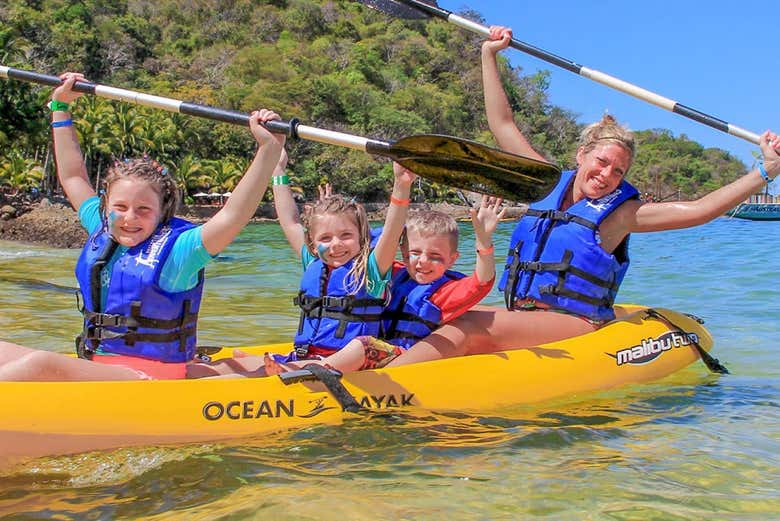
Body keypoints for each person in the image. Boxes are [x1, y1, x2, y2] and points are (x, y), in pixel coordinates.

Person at [385, 26, 780, 366]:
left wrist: (765, 171)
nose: (607, 175)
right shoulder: (545, 181)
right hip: (521, 311)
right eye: (602, 162)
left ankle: (382, 381)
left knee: (468, 325)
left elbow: (700, 210)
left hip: (575, 322)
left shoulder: (621, 214)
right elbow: (501, 123)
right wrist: (489, 54)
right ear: (581, 155)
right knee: (433, 310)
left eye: (618, 171)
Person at [0, 72, 286, 381]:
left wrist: (269, 149)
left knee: (40, 365)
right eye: (120, 207)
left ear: (162, 210)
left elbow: (234, 215)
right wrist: (60, 107)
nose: (129, 217)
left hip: (147, 378)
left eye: (143, 209)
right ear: (105, 206)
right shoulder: (102, 228)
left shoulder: (179, 252)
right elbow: (72, 176)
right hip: (99, 367)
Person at [186, 161, 417, 377]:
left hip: (346, 362)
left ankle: (284, 373)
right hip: (306, 356)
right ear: (313, 244)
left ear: (361, 237)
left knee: (360, 346)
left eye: (346, 235)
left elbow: (392, 229)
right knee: (221, 366)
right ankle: (173, 377)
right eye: (326, 238)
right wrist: (278, 170)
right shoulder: (313, 261)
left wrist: (401, 184)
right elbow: (289, 220)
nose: (336, 244)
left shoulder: (371, 270)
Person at [263, 199, 505, 375]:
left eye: (435, 256)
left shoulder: (442, 293)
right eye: (415, 253)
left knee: (361, 345)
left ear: (452, 260)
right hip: (375, 353)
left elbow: (481, 282)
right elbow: (368, 237)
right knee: (359, 345)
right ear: (402, 252)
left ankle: (309, 373)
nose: (422, 262)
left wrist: (483, 241)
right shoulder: (394, 272)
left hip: (404, 357)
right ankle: (288, 364)